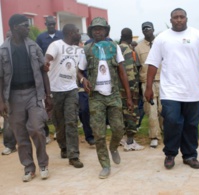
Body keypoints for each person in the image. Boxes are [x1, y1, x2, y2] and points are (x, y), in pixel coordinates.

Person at [144, 8, 199, 170]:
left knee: (191, 124)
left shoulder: (197, 36)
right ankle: (170, 153)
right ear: (171, 20)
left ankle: (190, 155)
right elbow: (153, 63)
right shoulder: (162, 38)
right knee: (172, 121)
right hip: (171, 90)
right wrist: (148, 87)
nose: (179, 20)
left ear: (186, 18)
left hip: (194, 90)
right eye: (175, 17)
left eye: (181, 17)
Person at [78, 17, 133, 179]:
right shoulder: (87, 49)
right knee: (99, 134)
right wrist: (83, 79)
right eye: (95, 29)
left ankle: (114, 147)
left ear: (106, 31)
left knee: (118, 129)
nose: (98, 31)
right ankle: (105, 165)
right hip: (96, 97)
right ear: (91, 31)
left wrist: (128, 96)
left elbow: (122, 72)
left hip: (113, 94)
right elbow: (79, 70)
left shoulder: (113, 47)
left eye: (101, 29)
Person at [0, 14, 52, 182]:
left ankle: (43, 163)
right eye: (25, 25)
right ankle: (29, 168)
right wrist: (1, 102)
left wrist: (48, 95)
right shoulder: (3, 50)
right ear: (15, 27)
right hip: (13, 96)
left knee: (37, 128)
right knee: (21, 135)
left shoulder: (34, 46)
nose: (28, 28)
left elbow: (43, 70)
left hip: (33, 93)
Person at [45, 24, 84, 168]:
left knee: (71, 122)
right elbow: (47, 58)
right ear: (70, 33)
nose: (79, 33)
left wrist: (82, 79)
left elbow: (77, 68)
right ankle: (64, 147)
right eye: (77, 31)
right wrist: (45, 62)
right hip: (55, 90)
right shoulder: (56, 45)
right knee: (59, 123)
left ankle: (74, 155)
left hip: (71, 89)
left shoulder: (78, 50)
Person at [36, 16, 63, 143]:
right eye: (49, 24)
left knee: (59, 102)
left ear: (55, 23)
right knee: (46, 103)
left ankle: (59, 131)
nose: (51, 26)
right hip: (46, 74)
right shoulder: (40, 38)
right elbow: (37, 54)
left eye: (53, 24)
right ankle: (46, 133)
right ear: (45, 24)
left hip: (60, 73)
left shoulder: (62, 35)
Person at [135, 21, 162, 148]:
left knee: (165, 110)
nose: (147, 30)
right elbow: (137, 67)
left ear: (153, 29)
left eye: (149, 28)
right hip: (147, 83)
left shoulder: (162, 43)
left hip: (163, 81)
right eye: (144, 29)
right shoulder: (138, 48)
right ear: (142, 31)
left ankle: (167, 134)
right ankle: (154, 136)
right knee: (151, 111)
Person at [118, 28, 144, 151]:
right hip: (128, 88)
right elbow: (129, 72)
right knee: (131, 113)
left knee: (123, 113)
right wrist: (132, 90)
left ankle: (123, 138)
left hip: (119, 88)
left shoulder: (118, 48)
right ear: (131, 37)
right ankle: (130, 142)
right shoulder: (127, 50)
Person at [1, 30, 17, 155]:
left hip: (26, 91)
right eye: (7, 37)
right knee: (8, 119)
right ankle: (10, 145)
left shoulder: (23, 50)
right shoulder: (1, 52)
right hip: (8, 92)